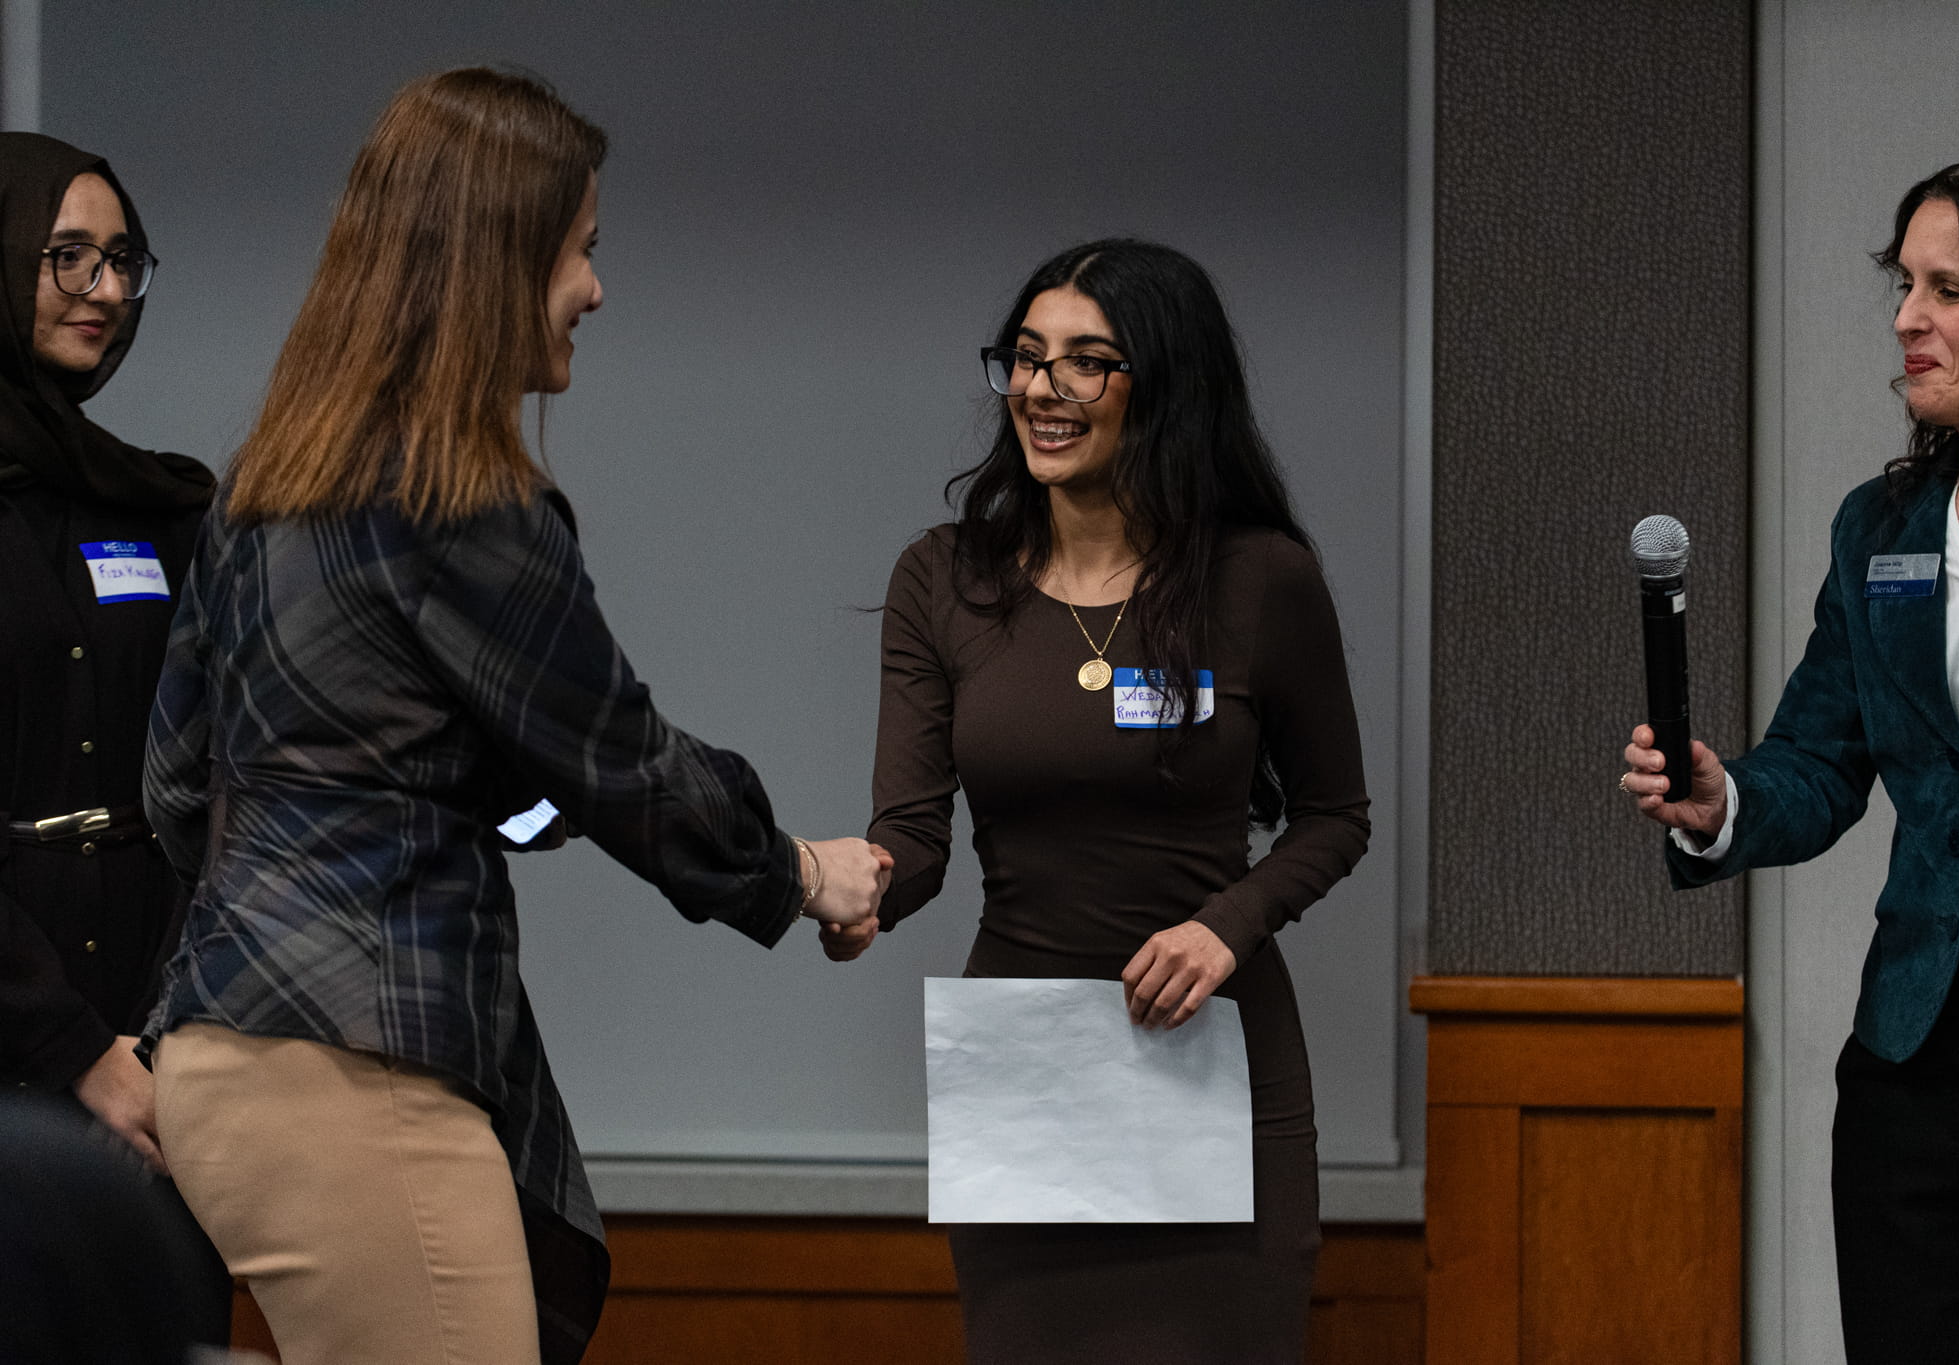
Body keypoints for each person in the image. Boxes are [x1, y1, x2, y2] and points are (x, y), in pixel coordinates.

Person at [138, 69, 888, 1365]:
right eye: (580, 251)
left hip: (215, 1059)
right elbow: (627, 768)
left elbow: (176, 786)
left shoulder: (266, 490)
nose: (596, 288)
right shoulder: (465, 505)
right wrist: (807, 873)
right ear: (498, 261)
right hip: (352, 1072)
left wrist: (497, 798)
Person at [850, 238, 1372, 1363]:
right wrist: (849, 890)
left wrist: (1223, 927)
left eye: (1088, 362)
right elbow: (911, 840)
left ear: (1166, 385)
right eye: (1028, 359)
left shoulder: (1259, 577)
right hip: (1028, 1070)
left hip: (1211, 1057)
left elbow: (1336, 817)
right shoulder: (942, 577)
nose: (1043, 388)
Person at [1624, 146, 1959, 1363]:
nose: (1908, 320)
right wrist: (1721, 798)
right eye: (1901, 286)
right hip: (1908, 1071)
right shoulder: (1881, 528)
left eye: (1948, 290)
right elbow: (1815, 762)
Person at [0, 132, 230, 1345]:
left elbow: (225, 771)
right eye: (67, 256)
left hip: (166, 1017)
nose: (102, 289)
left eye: (123, 260)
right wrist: (73, 1045)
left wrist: (168, 1041)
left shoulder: (167, 506)